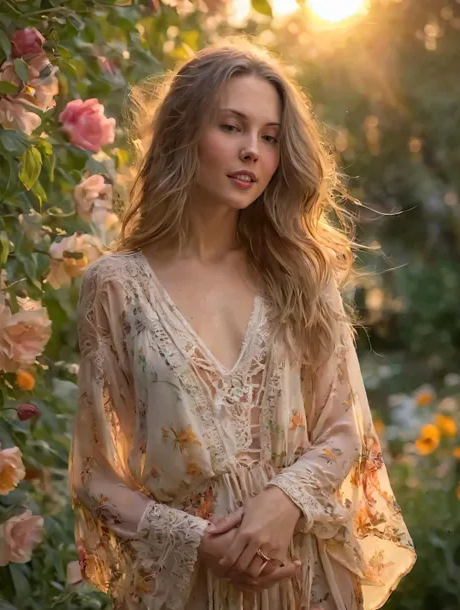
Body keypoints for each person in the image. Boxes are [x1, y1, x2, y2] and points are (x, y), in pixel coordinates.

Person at [68, 41, 416, 610]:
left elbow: (343, 427)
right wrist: (201, 542)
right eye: (232, 127)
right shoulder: (115, 286)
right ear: (184, 132)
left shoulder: (299, 273)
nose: (252, 151)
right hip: (191, 586)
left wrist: (283, 502)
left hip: (301, 579)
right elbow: (95, 476)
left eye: (270, 137)